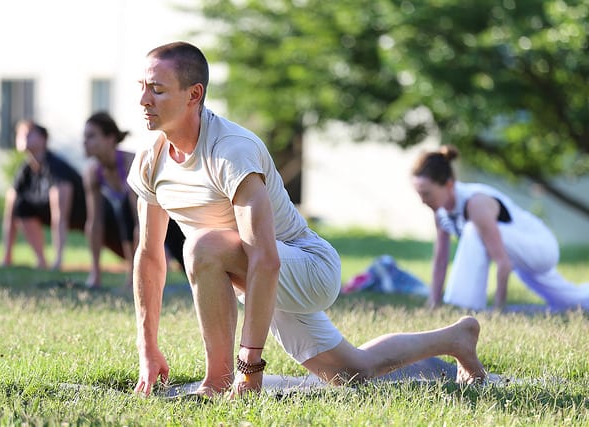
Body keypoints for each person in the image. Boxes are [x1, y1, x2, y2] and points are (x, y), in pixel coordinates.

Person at [126, 41, 487, 398]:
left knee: (202, 245)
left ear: (194, 95)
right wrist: (148, 347)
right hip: (256, 280)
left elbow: (264, 257)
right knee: (353, 373)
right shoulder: (151, 158)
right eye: (142, 87)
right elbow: (150, 256)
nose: (144, 100)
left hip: (305, 265)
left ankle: (217, 382)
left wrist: (250, 367)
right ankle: (456, 338)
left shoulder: (232, 151)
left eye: (157, 90)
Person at [411, 145, 589, 312]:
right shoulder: (440, 211)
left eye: (427, 193)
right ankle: (464, 306)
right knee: (571, 302)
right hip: (519, 253)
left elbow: (503, 263)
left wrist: (498, 309)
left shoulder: (475, 203)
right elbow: (441, 260)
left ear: (449, 185)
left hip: (540, 247)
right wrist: (433, 303)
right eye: (419, 194)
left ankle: (464, 306)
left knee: (473, 230)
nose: (423, 201)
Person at [82, 112, 185, 289]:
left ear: (110, 139)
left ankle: (140, 276)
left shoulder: (131, 162)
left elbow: (140, 221)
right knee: (119, 211)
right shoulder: (93, 172)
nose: (85, 142)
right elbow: (94, 223)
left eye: (91, 136)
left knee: (189, 264)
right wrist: (95, 274)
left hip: (171, 217)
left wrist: (133, 278)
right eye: (84, 137)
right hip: (135, 217)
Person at [1, 120, 86, 270]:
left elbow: (60, 214)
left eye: (28, 133)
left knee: (55, 199)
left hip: (83, 215)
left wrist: (58, 262)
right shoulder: (25, 170)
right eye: (19, 134)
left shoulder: (56, 167)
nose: (22, 137)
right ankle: (40, 260)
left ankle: (58, 259)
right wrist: (6, 257)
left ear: (43, 139)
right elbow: (10, 209)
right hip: (52, 214)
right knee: (20, 205)